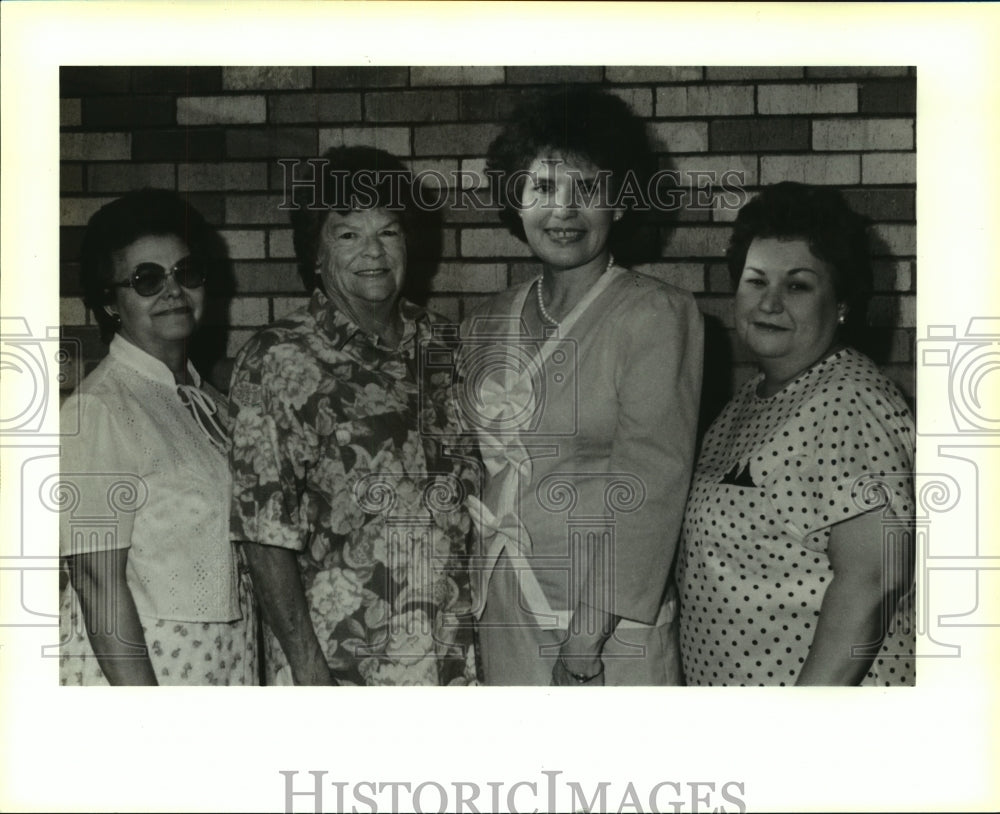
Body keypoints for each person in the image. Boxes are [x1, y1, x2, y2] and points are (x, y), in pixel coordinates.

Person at [460, 87, 704, 685]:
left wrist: (586, 640)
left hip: (605, 622)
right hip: (504, 600)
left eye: (587, 189)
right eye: (542, 188)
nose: (562, 211)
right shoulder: (484, 321)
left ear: (620, 203)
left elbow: (651, 482)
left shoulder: (655, 315)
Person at [228, 146, 477, 685]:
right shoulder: (279, 359)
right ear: (315, 255)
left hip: (454, 657)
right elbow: (261, 533)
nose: (374, 251)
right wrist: (309, 670)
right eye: (348, 234)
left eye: (388, 231)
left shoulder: (443, 344)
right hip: (342, 665)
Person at [678, 182, 916, 686]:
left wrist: (801, 725)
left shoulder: (851, 401)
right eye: (755, 281)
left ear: (843, 302)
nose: (768, 303)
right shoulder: (751, 399)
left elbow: (874, 582)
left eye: (797, 285)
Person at [59, 188, 257, 685]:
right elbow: (96, 581)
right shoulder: (99, 410)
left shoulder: (210, 404)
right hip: (147, 668)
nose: (172, 291)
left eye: (185, 273)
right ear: (110, 302)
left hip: (226, 657)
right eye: (146, 279)